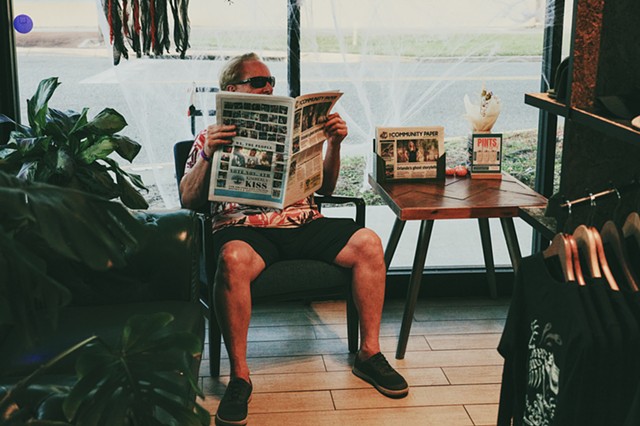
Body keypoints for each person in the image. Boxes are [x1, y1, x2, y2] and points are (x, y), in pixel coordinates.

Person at [179, 52, 408, 426]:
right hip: (245, 228)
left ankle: (369, 354)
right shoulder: (210, 136)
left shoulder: (296, 132)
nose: (268, 87)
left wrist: (334, 144)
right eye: (258, 82)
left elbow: (327, 188)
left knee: (369, 243)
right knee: (232, 259)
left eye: (270, 81)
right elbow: (188, 200)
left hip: (303, 223)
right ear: (232, 90)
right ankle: (240, 377)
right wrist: (207, 154)